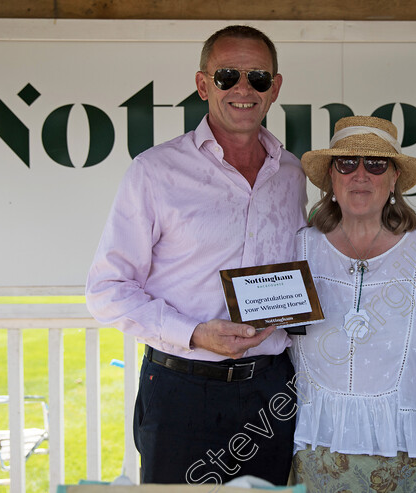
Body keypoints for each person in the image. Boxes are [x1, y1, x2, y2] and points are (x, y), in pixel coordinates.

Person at [85, 25, 307, 485]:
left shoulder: (292, 173)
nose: (243, 89)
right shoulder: (154, 171)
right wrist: (194, 334)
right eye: (227, 76)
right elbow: (107, 291)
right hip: (180, 390)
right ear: (203, 84)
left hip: (272, 388)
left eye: (258, 78)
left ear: (276, 87)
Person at [290, 115, 416, 492]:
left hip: (407, 455)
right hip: (316, 452)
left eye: (375, 164)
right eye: (347, 163)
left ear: (393, 181)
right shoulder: (299, 248)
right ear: (332, 181)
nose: (360, 174)